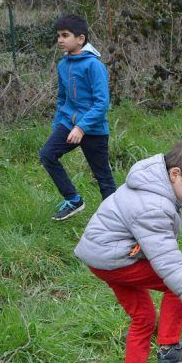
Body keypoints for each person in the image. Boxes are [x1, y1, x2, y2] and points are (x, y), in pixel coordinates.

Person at [74, 140, 182, 363]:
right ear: (175, 174)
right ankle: (169, 349)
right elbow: (167, 260)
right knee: (176, 286)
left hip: (103, 258)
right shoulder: (153, 205)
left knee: (144, 317)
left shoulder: (151, 185)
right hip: (114, 259)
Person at [41, 13, 116, 221]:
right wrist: (58, 125)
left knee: (103, 177)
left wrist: (82, 127)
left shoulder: (94, 66)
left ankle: (116, 218)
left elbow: (102, 103)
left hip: (93, 129)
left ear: (80, 38)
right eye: (58, 36)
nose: (60, 40)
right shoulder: (63, 65)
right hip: (68, 124)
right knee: (47, 154)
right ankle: (73, 200)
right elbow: (62, 98)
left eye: (65, 35)